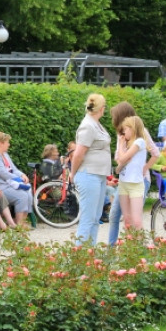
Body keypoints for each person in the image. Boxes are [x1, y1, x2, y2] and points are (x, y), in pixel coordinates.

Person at [68, 93, 112, 244]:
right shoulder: (88, 125)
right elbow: (78, 154)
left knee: (95, 217)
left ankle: (90, 253)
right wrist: (72, 173)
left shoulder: (96, 124)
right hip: (88, 174)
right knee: (88, 218)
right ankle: (78, 254)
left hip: (99, 175)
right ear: (102, 108)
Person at [114, 115, 157, 233]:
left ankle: (140, 246)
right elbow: (120, 163)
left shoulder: (140, 142)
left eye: (126, 129)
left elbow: (122, 158)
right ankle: (129, 246)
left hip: (136, 184)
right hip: (124, 183)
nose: (123, 132)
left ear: (132, 129)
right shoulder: (128, 145)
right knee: (127, 220)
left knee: (137, 221)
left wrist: (121, 146)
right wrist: (123, 150)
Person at [0, 132, 34, 229]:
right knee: (22, 195)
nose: (9, 144)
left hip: (10, 184)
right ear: (1, 143)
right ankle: (20, 223)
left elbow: (14, 169)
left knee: (28, 190)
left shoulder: (5, 154)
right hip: (0, 186)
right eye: (7, 142)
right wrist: (18, 179)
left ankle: (21, 221)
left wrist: (22, 175)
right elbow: (3, 173)